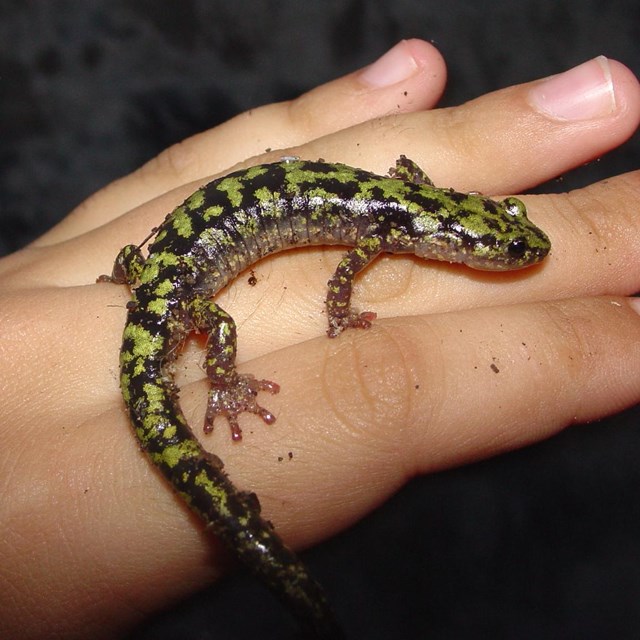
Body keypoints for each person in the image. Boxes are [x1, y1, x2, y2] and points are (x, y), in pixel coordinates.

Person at [1, 39, 639, 640]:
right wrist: (230, 374)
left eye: (505, 235)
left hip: (156, 271)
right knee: (220, 324)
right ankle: (221, 386)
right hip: (172, 296)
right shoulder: (389, 227)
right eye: (502, 244)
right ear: (448, 239)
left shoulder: (402, 206)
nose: (512, 249)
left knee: (160, 281)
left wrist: (127, 274)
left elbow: (402, 176)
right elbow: (338, 278)